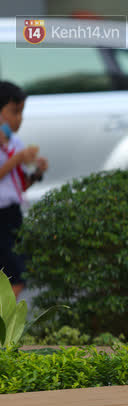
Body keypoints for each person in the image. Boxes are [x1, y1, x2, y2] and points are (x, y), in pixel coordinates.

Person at [0, 81, 48, 299]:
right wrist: (17, 159)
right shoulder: (15, 150)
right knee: (16, 277)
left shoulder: (15, 143)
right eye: (14, 111)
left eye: (21, 112)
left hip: (12, 213)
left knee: (16, 274)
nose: (19, 118)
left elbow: (19, 184)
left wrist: (36, 173)